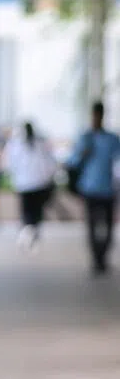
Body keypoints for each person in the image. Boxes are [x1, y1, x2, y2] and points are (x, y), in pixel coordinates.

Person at [66, 100, 120, 274]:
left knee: (108, 227)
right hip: (89, 189)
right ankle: (96, 259)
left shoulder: (112, 139)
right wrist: (82, 154)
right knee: (92, 226)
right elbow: (72, 162)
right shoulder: (85, 138)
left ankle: (103, 257)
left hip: (108, 189)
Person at [3, 121, 58, 250]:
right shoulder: (38, 144)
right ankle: (31, 234)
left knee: (27, 212)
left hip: (25, 184)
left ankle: (28, 233)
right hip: (38, 183)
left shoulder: (16, 145)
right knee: (35, 212)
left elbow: (9, 165)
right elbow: (50, 164)